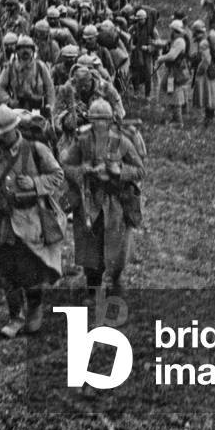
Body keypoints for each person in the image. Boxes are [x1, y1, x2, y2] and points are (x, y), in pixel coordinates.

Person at [0, 106, 66, 339]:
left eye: (3, 133)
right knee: (5, 271)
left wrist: (35, 184)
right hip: (4, 221)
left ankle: (34, 309)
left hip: (31, 218)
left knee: (31, 271)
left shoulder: (36, 149)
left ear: (14, 128)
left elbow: (57, 175)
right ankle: (15, 316)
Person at [60, 100, 145, 299]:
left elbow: (140, 170)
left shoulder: (122, 141)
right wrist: (84, 170)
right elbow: (65, 166)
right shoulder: (82, 139)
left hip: (116, 200)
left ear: (110, 121)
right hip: (89, 199)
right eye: (95, 120)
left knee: (118, 247)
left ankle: (115, 280)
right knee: (90, 247)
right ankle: (93, 288)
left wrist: (119, 171)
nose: (99, 125)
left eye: (103, 120)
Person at [0, 35, 56, 114]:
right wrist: (9, 101)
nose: (25, 50)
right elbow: (0, 88)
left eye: (28, 48)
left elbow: (50, 88)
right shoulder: (10, 67)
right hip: (16, 109)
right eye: (22, 48)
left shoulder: (40, 66)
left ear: (32, 50)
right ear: (17, 51)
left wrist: (50, 106)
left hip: (37, 108)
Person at [156, 20, 191, 125]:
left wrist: (160, 58)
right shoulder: (177, 40)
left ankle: (177, 120)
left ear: (174, 30)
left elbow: (172, 56)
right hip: (173, 71)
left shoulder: (179, 42)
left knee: (172, 93)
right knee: (169, 91)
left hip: (175, 72)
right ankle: (171, 117)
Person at [192, 26, 215, 126]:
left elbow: (206, 59)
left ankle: (209, 117)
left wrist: (199, 70)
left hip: (207, 73)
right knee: (213, 93)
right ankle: (211, 115)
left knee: (207, 93)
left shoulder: (204, 43)